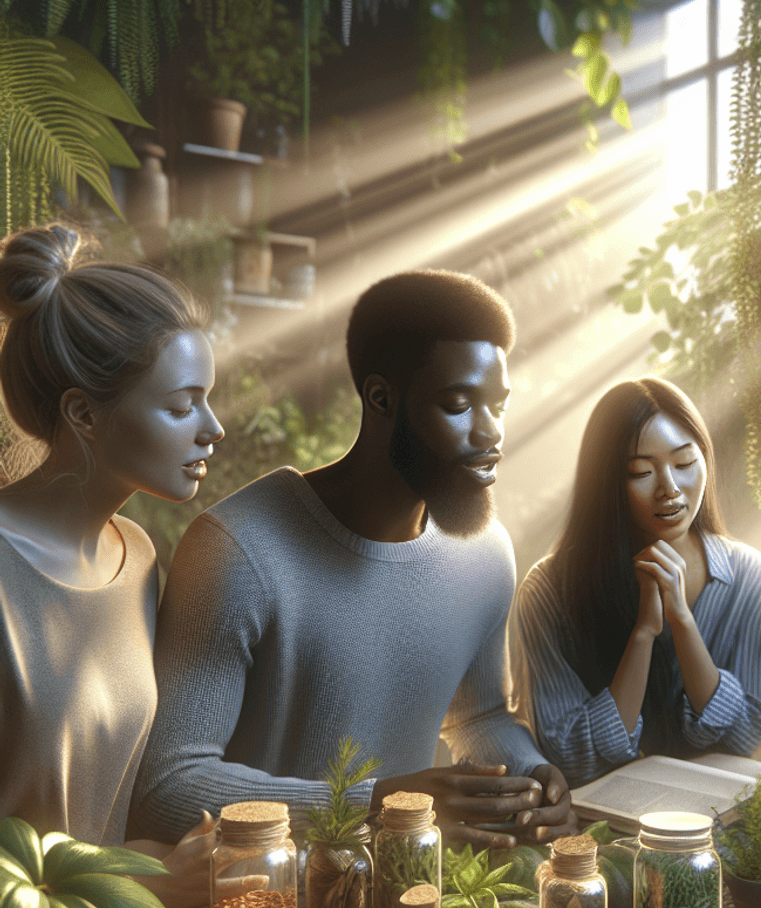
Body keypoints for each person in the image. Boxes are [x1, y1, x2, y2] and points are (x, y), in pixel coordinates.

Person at [131, 269, 572, 848]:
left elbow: (479, 716)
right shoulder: (236, 548)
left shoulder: (487, 556)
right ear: (381, 397)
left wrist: (528, 775)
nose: (489, 434)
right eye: (459, 405)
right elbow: (168, 786)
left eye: (498, 406)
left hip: (408, 902)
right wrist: (381, 807)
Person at [0, 223, 223, 908]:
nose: (212, 428)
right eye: (182, 405)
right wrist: (135, 875)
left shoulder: (138, 560)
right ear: (84, 414)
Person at [509, 377, 761, 787]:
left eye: (685, 464)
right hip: (595, 826)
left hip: (713, 817)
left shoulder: (746, 574)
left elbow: (744, 736)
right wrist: (644, 634)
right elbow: (568, 755)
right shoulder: (548, 590)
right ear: (607, 482)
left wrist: (683, 623)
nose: (669, 488)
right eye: (642, 471)